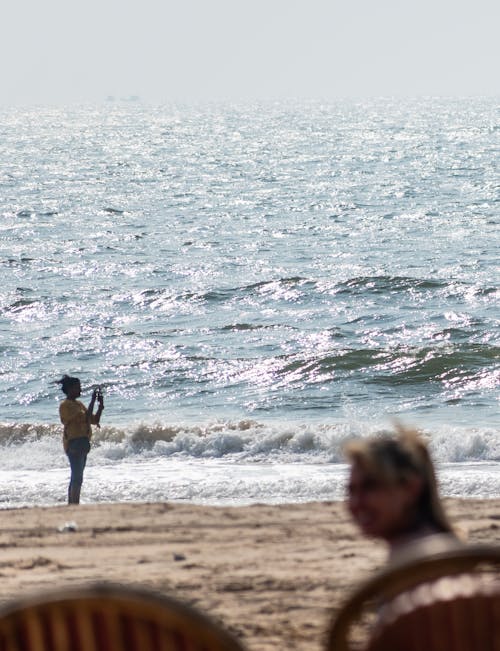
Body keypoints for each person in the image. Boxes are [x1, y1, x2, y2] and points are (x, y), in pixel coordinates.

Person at [345, 425, 456, 561]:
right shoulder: (417, 550)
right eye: (351, 490)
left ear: (411, 487)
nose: (356, 503)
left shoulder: (427, 559)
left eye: (370, 487)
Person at [57, 375, 104, 504]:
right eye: (78, 388)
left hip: (82, 443)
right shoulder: (65, 405)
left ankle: (72, 503)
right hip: (73, 443)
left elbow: (94, 420)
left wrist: (100, 406)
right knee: (77, 478)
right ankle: (74, 504)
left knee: (77, 477)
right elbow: (84, 417)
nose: (80, 390)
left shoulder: (78, 404)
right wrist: (93, 401)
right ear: (70, 389)